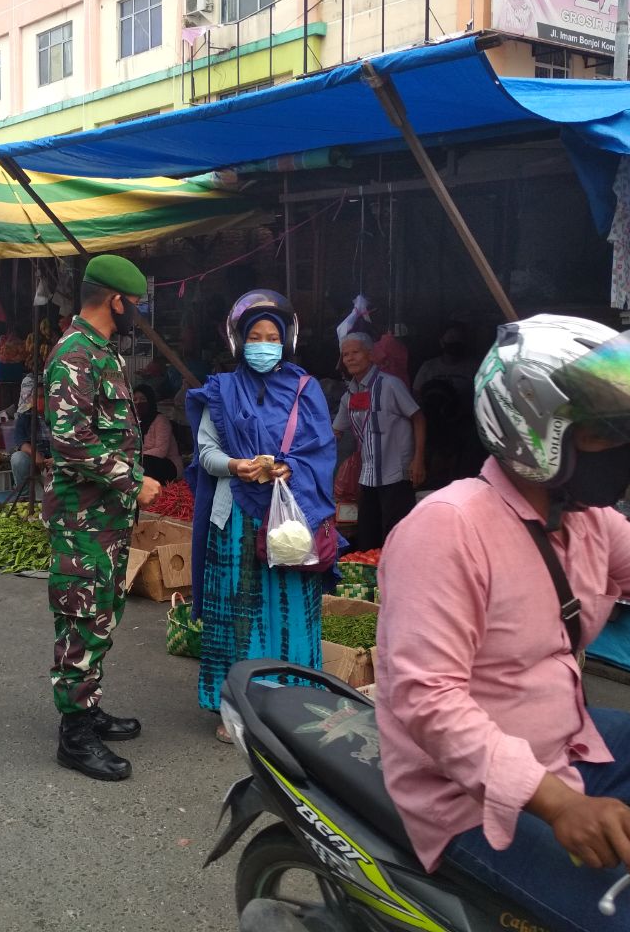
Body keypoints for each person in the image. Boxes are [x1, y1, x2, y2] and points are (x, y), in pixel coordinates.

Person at [376, 314, 630, 932]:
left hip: (576, 741)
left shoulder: (590, 521)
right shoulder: (447, 528)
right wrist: (559, 802)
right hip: (467, 793)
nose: (623, 453)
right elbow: (426, 699)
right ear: (535, 432)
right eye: (602, 434)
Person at [187, 290, 337, 738]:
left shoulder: (307, 391)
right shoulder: (222, 389)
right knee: (238, 611)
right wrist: (237, 466)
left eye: (272, 335)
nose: (264, 343)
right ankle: (235, 708)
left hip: (290, 521)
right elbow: (205, 452)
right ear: (239, 340)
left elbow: (322, 450)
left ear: (285, 340)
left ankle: (295, 703)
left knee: (290, 610)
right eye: (255, 335)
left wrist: (293, 467)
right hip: (234, 521)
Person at [44, 254, 161, 782]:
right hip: (83, 518)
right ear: (115, 300)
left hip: (107, 517)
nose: (137, 312)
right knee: (82, 615)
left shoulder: (102, 351)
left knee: (103, 614)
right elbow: (70, 442)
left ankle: (87, 706)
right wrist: (136, 481)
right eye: (134, 304)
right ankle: (74, 735)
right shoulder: (75, 354)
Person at [334, 332, 426, 551]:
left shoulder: (390, 384)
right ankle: (371, 583)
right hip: (368, 476)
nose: (350, 359)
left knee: (396, 537)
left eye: (355, 352)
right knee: (367, 538)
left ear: (370, 355)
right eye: (345, 355)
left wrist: (418, 460)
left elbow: (419, 417)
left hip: (396, 473)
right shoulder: (349, 395)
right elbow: (335, 432)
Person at [413, 321, 479, 403]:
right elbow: (416, 394)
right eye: (451, 338)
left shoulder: (474, 368)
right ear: (442, 342)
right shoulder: (428, 367)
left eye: (459, 338)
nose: (455, 342)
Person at [134, 383, 182, 484]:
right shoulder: (133, 422)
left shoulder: (160, 420)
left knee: (144, 463)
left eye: (143, 399)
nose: (139, 403)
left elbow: (161, 451)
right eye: (135, 400)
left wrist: (137, 457)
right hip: (143, 462)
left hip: (167, 464)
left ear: (150, 400)